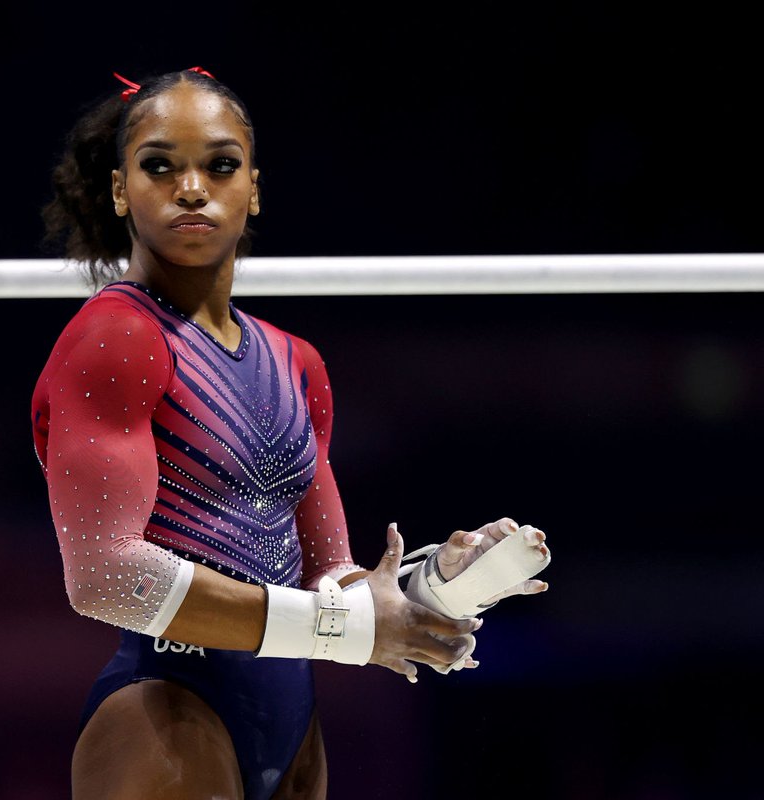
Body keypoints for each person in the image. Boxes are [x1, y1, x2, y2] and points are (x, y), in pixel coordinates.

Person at [31, 66, 550, 800]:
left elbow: (327, 576)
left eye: (219, 165)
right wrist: (346, 630)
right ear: (121, 190)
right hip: (168, 706)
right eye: (158, 166)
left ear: (255, 187)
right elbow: (107, 578)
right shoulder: (115, 338)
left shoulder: (294, 360)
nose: (190, 188)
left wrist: (429, 593)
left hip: (292, 715)